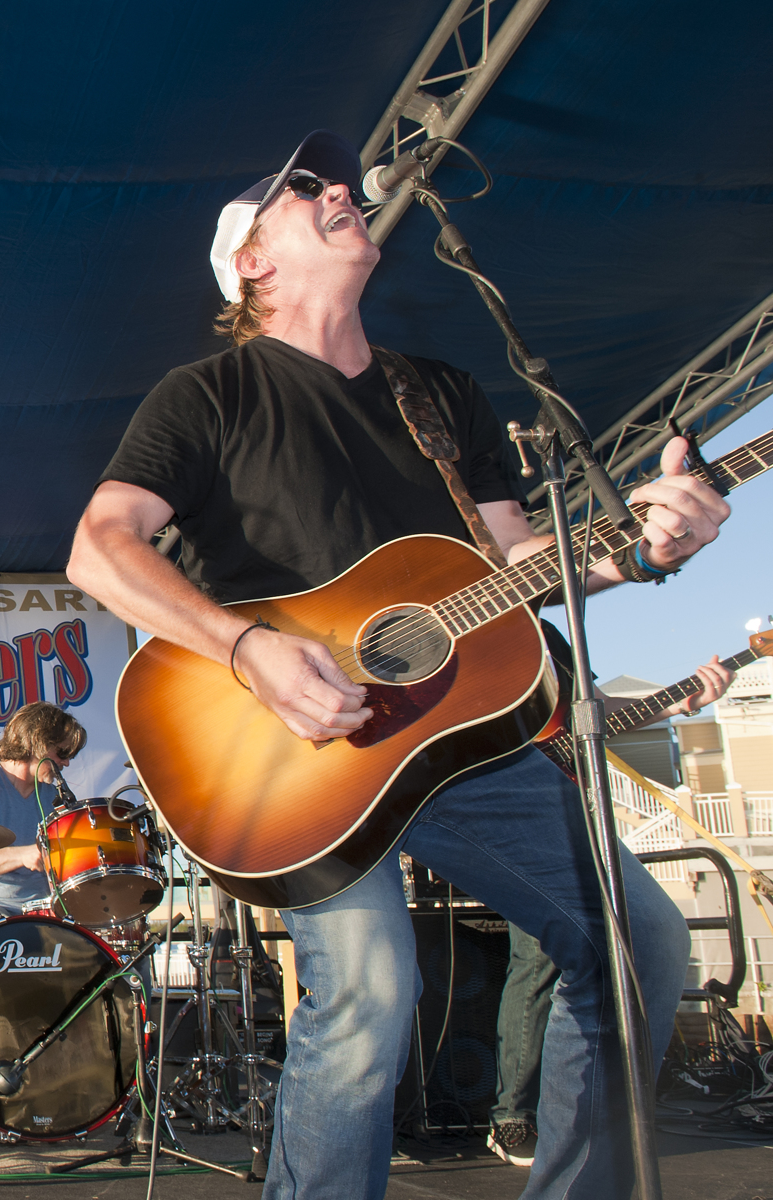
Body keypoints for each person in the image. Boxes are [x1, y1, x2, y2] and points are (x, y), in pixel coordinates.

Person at [66, 128, 730, 1199]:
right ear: (252, 261)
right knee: (370, 991)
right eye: (302, 187)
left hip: (459, 743)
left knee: (638, 942)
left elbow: (518, 565)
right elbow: (99, 548)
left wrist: (635, 550)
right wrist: (248, 646)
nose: (341, 187)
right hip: (293, 754)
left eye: (338, 181)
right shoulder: (208, 398)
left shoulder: (442, 396)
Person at [487, 653, 737, 1166]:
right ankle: (512, 1119)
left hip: (581, 812)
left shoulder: (555, 641)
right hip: (519, 814)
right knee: (537, 961)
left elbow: (596, 711)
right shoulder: (494, 630)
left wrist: (681, 700)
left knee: (621, 951)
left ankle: (590, 1114)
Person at [0, 701, 88, 941]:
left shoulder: (54, 796)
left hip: (43, 910)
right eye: (62, 753)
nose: (66, 763)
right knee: (0, 942)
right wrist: (24, 855)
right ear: (36, 743)